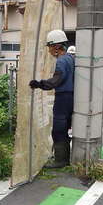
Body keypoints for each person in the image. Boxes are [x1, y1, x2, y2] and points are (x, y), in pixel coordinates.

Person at [29, 29, 75, 168]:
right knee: (65, 128)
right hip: (71, 97)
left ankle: (61, 161)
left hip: (63, 99)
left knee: (58, 130)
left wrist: (39, 84)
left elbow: (56, 81)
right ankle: (64, 159)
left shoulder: (61, 61)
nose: (49, 50)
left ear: (56, 46)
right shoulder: (70, 58)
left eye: (49, 46)